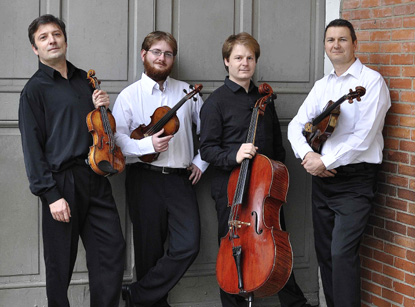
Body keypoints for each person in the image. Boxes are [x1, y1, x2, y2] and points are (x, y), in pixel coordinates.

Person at [199, 32, 315, 307]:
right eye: (238, 57)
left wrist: (273, 174)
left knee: (277, 250)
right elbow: (207, 150)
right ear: (226, 61)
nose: (244, 63)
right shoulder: (215, 103)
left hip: (264, 192)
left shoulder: (265, 99)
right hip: (232, 193)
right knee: (233, 251)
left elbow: (276, 144)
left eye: (250, 58)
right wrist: (234, 155)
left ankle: (295, 303)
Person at [18, 14, 125, 307]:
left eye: (56, 34)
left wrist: (104, 108)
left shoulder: (85, 81)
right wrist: (51, 195)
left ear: (65, 39)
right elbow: (32, 148)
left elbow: (99, 131)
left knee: (110, 253)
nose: (52, 40)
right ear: (35, 49)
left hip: (96, 174)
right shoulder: (33, 91)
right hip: (61, 183)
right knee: (59, 266)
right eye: (43, 37)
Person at [287, 19, 391, 307]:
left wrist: (325, 160)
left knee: (342, 253)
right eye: (330, 40)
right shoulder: (323, 85)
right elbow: (296, 125)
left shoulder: (371, 82)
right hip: (322, 180)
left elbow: (364, 138)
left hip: (355, 182)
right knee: (325, 254)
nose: (336, 45)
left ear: (355, 44)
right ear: (324, 46)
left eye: (343, 39)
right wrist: (308, 156)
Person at [112, 31, 208, 307]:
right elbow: (117, 141)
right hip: (143, 179)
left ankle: (138, 295)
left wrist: (201, 162)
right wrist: (147, 146)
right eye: (156, 52)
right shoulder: (130, 95)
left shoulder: (188, 93)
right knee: (148, 252)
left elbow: (209, 134)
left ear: (172, 59)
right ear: (144, 55)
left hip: (180, 180)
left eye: (167, 53)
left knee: (188, 244)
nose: (161, 58)